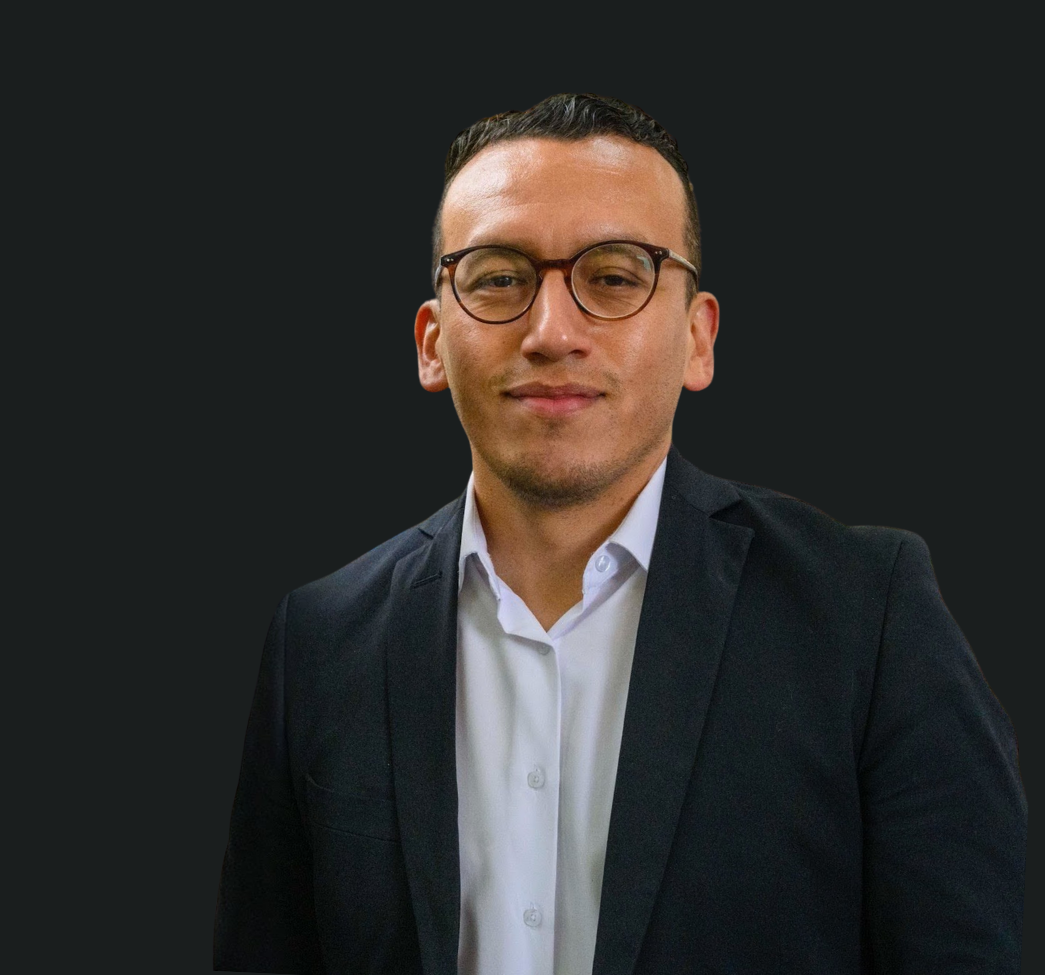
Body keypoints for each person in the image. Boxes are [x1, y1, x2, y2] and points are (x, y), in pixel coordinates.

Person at [211, 93, 1024, 975]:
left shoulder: (867, 617)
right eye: (497, 278)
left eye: (612, 276)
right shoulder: (320, 640)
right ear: (431, 342)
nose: (550, 332)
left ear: (697, 338)